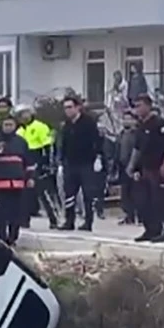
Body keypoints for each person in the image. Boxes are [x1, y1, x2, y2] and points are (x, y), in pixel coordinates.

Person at [127, 94, 164, 243]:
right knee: (144, 201)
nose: (138, 109)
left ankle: (162, 231)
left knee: (159, 200)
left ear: (148, 106)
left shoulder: (160, 124)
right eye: (136, 106)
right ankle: (150, 230)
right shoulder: (141, 126)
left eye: (140, 105)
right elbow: (137, 148)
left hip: (158, 167)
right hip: (145, 168)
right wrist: (131, 165)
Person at [58, 95, 103, 231]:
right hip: (70, 164)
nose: (68, 111)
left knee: (88, 194)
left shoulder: (88, 122)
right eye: (65, 108)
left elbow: (97, 141)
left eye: (70, 107)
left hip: (86, 163)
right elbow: (63, 144)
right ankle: (69, 220)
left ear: (78, 107)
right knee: (69, 193)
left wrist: (98, 158)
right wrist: (61, 161)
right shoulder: (66, 125)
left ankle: (88, 221)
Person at [0, 114, 34, 245]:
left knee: (16, 213)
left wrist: (30, 178)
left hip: (17, 184)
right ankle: (1, 238)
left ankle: (13, 237)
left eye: (11, 125)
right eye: (6, 125)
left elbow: (28, 162)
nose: (8, 128)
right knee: (0, 214)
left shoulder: (21, 142)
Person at [15, 105, 59, 229]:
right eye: (20, 115)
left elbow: (48, 146)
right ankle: (24, 220)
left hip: (38, 159)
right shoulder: (19, 131)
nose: (22, 117)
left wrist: (46, 164)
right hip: (25, 161)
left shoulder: (40, 127)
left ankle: (54, 219)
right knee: (25, 193)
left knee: (44, 192)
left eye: (25, 113)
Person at [115, 110, 138, 225]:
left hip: (134, 167)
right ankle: (128, 215)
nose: (126, 121)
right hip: (122, 167)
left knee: (136, 192)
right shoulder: (121, 134)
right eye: (124, 119)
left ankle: (138, 215)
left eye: (129, 119)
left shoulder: (137, 134)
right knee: (125, 192)